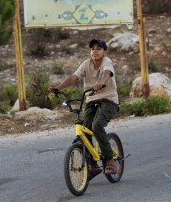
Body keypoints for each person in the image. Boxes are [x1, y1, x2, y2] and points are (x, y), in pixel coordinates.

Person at [48, 38, 120, 175]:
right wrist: (57, 88)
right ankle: (93, 164)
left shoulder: (107, 62)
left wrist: (101, 83)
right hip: (92, 100)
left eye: (99, 48)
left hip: (109, 100)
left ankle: (110, 159)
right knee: (85, 130)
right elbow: (74, 78)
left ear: (105, 52)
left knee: (97, 125)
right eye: (92, 49)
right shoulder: (86, 64)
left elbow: (107, 74)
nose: (95, 51)